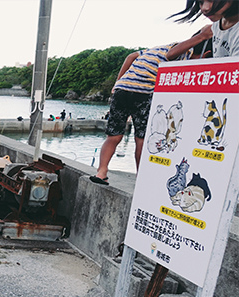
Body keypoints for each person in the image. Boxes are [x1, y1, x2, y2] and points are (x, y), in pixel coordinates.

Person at [89, 29, 213, 185]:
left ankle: (102, 172)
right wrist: (203, 36)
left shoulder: (155, 49)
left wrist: (118, 82)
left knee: (113, 136)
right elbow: (171, 56)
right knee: (141, 139)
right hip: (143, 93)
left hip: (122, 90)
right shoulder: (183, 52)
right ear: (206, 54)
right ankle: (141, 178)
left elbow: (131, 56)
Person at [172, 0, 239, 57]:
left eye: (211, 1)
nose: (204, 8)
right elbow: (169, 55)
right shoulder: (215, 26)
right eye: (201, 2)